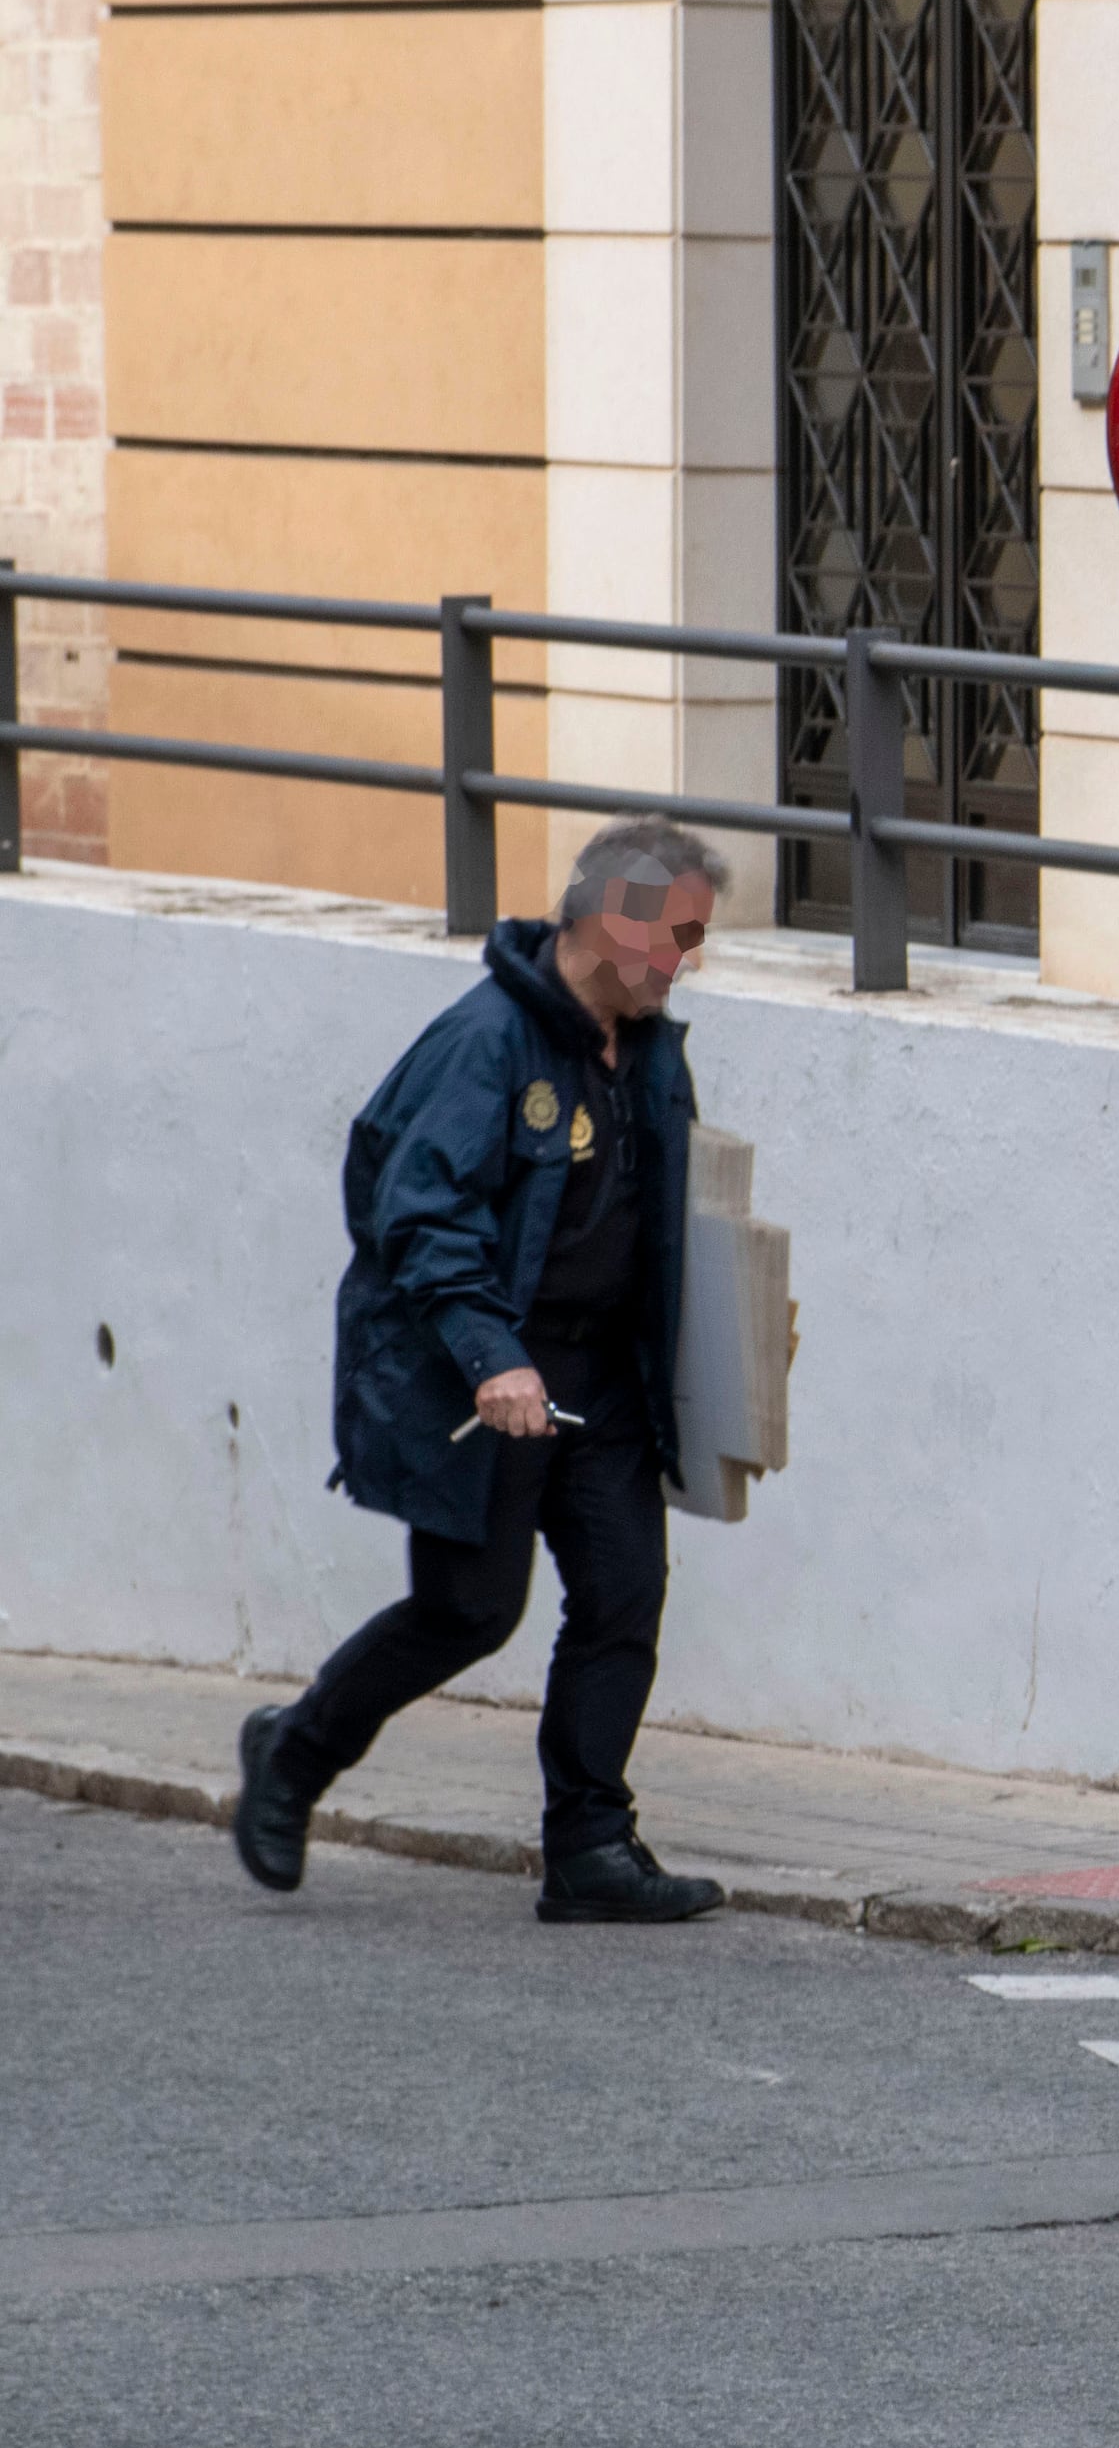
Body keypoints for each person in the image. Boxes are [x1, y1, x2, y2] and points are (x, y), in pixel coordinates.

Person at [231, 815, 739, 1925]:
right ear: (614, 921)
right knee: (469, 1611)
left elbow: (666, 1219)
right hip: (487, 1383)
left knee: (623, 1599)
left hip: (602, 1378)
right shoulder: (484, 1044)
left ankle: (590, 1849)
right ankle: (294, 1751)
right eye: (678, 937)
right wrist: (490, 1356)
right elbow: (418, 1216)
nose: (687, 960)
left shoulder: (650, 1050)